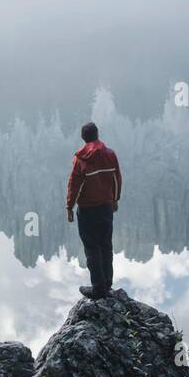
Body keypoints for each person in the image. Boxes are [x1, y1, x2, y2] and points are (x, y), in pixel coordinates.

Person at [66, 121, 122, 299]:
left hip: (87, 210)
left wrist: (69, 206)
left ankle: (98, 288)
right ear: (97, 135)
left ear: (83, 138)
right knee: (106, 246)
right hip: (106, 208)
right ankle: (107, 283)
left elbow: (73, 185)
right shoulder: (110, 155)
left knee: (92, 248)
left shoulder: (80, 160)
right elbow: (117, 179)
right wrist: (115, 199)